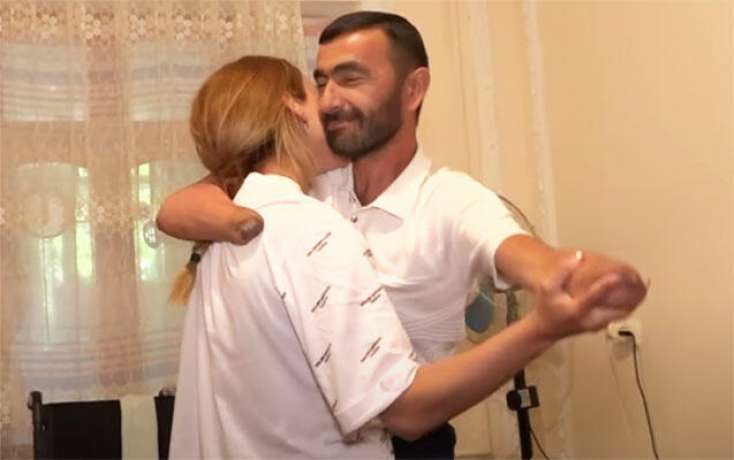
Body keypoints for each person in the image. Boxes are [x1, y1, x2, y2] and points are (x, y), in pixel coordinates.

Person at [159, 12, 648, 459]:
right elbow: (181, 205)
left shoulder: (449, 198)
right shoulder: (305, 195)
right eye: (321, 82)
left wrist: (570, 274)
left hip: (413, 441)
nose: (330, 99)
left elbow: (518, 251)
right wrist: (238, 222)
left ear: (413, 90)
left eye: (351, 78)